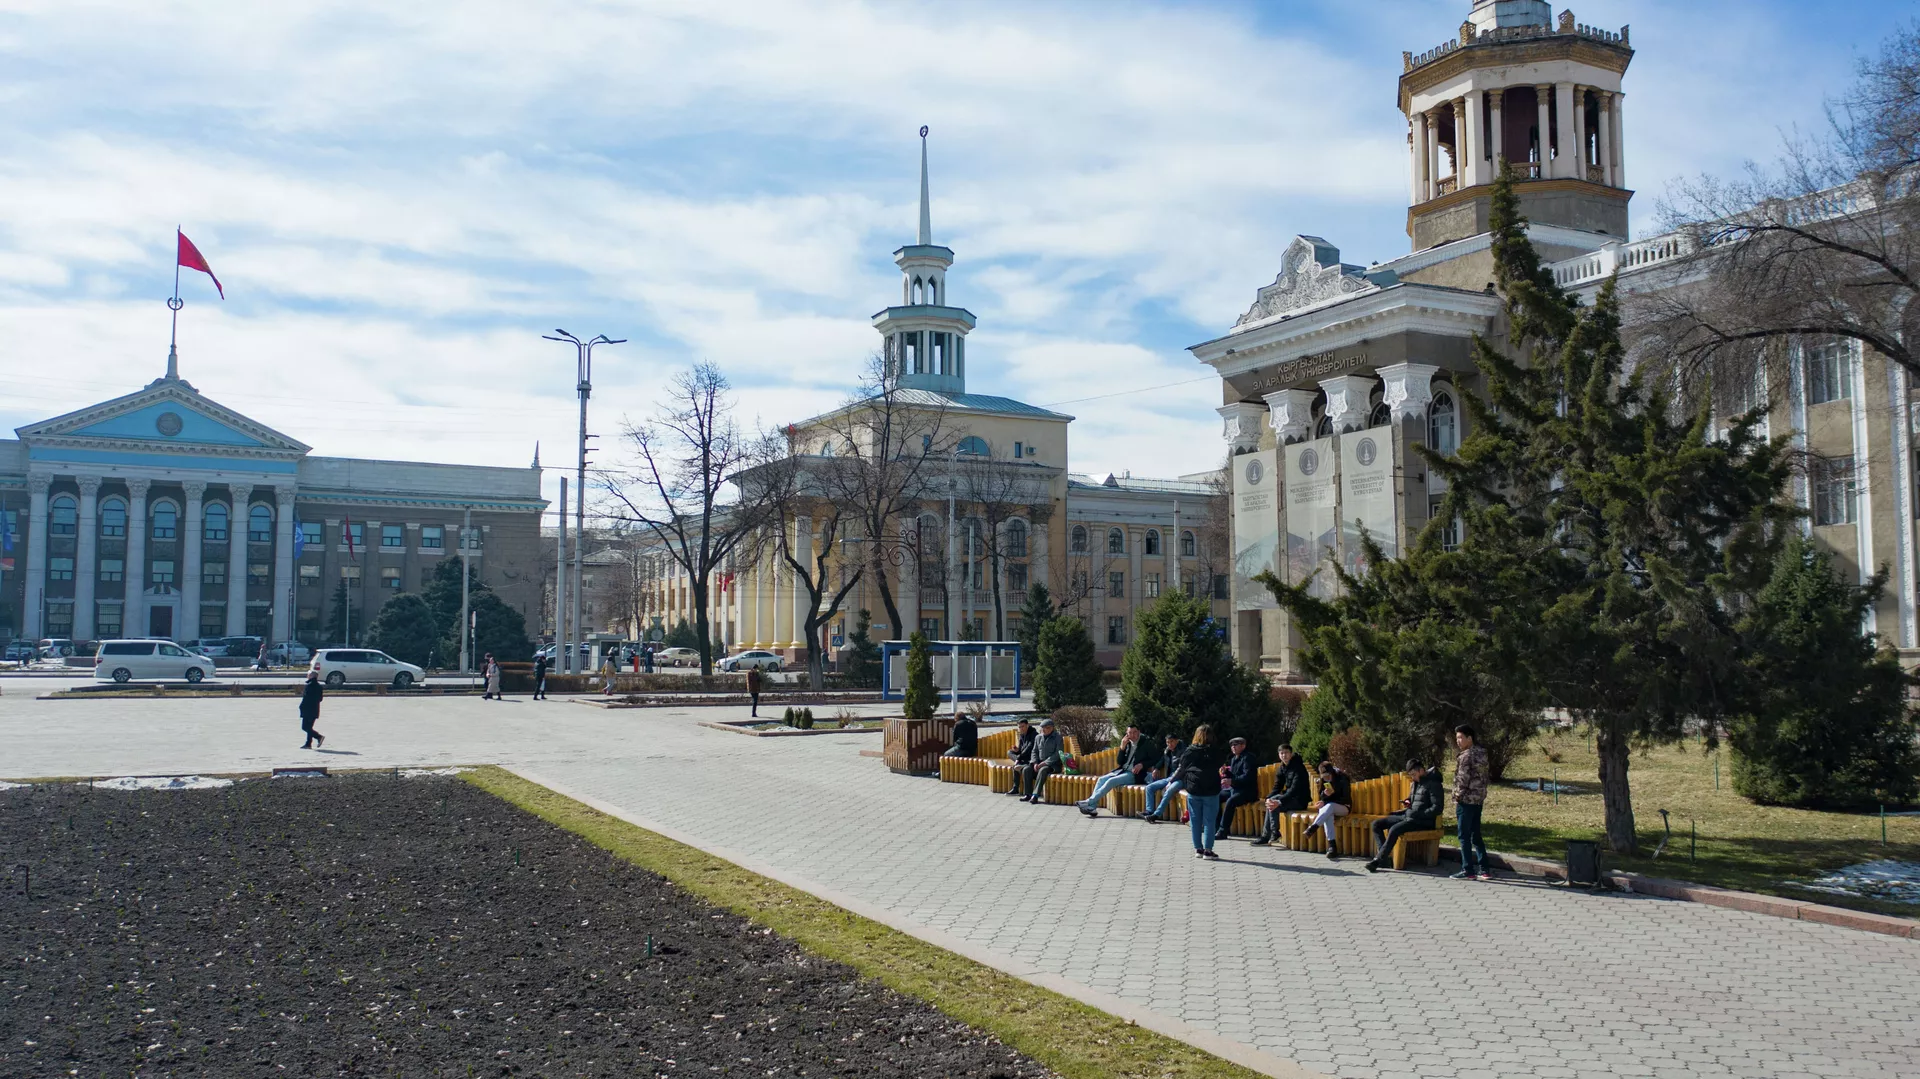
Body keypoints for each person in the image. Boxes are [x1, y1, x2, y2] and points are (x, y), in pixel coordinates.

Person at [1365, 760, 1445, 872]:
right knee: (1376, 824)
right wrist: (1408, 801)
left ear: (1421, 770)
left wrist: (1419, 814)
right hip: (1409, 816)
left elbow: (1437, 808)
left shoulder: (1434, 784)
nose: (1412, 777)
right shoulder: (1415, 783)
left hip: (1423, 821)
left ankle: (1378, 860)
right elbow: (1414, 800)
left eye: (1414, 774)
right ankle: (1384, 859)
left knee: (1394, 829)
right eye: (1411, 775)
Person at [1076, 725, 1159, 818]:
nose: (1132, 735)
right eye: (1130, 733)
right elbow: (1120, 762)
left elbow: (1156, 758)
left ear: (1139, 732)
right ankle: (1092, 807)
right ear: (1127, 734)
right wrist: (1122, 748)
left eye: (1135, 732)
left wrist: (1142, 765)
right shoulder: (1127, 743)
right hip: (1122, 771)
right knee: (1101, 779)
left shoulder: (1146, 743)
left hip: (1136, 774)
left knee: (1111, 781)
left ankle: (1088, 802)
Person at [1452, 724, 1492, 880]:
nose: (1458, 741)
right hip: (1478, 799)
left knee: (1464, 836)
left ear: (1469, 738)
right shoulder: (1482, 753)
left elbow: (1462, 780)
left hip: (1466, 800)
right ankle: (1484, 869)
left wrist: (1457, 797)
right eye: (1457, 738)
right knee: (1476, 835)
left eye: (1460, 737)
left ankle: (1467, 870)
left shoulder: (1465, 756)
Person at [1252, 742, 1311, 847]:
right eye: (1281, 753)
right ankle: (1272, 834)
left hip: (1300, 800)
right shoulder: (1282, 767)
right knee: (1271, 802)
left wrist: (1279, 801)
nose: (1284, 755)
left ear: (1291, 754)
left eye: (1286, 753)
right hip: (1289, 798)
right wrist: (1268, 798)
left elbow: (1294, 790)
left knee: (1274, 803)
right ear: (1279, 755)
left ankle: (1270, 834)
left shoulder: (1299, 768)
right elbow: (1277, 787)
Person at [1180, 725, 1223, 858]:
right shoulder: (1215, 750)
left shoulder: (1190, 750)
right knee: (1210, 821)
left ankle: (1198, 849)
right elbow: (1220, 763)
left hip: (1194, 788)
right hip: (1211, 789)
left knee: (1195, 820)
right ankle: (1208, 850)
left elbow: (1183, 764)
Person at [1303, 761, 1353, 859]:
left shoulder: (1342, 779)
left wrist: (1329, 798)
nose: (1327, 779)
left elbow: (1346, 799)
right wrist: (1324, 796)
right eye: (1324, 777)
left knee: (1329, 806)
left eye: (1328, 776)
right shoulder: (1322, 781)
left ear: (1332, 773)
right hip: (1329, 809)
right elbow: (1322, 797)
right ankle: (1332, 847)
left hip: (1344, 807)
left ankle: (1313, 828)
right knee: (1328, 815)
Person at [1215, 736, 1259, 843]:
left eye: (1236, 745)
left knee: (1231, 801)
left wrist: (1231, 781)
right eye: (1231, 745)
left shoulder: (1248, 758)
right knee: (1217, 796)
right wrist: (1226, 772)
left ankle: (1223, 831)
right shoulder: (1234, 759)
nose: (1233, 747)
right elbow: (1234, 776)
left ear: (1243, 746)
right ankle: (1215, 827)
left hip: (1248, 791)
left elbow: (1248, 777)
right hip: (1236, 789)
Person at [1139, 733, 1185, 821]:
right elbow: (1163, 759)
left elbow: (1181, 769)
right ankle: (1149, 811)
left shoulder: (1183, 751)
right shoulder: (1168, 751)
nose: (1169, 744)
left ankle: (1156, 815)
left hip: (1180, 779)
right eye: (1167, 742)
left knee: (1169, 790)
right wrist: (1156, 768)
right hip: (1170, 778)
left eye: (1172, 741)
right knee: (1149, 787)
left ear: (1177, 741)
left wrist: (1171, 782)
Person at [1019, 717, 1065, 803]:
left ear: (1051, 728)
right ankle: (1028, 794)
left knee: (1043, 770)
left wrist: (1044, 763)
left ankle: (1035, 795)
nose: (1043, 730)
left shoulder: (1058, 738)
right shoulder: (1038, 737)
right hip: (1039, 763)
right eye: (1042, 728)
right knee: (1026, 769)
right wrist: (1035, 762)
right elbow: (1034, 751)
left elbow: (1058, 754)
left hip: (1052, 765)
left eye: (1046, 728)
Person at [1003, 719, 1036, 795]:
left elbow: (1029, 749)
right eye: (1019, 727)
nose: (1021, 728)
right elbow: (1021, 750)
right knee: (1009, 752)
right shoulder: (1022, 735)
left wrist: (1018, 758)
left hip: (1030, 757)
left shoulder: (1034, 734)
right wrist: (1017, 750)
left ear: (1027, 725)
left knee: (1016, 765)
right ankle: (1015, 788)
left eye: (1023, 726)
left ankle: (1015, 788)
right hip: (1023, 757)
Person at [299, 669, 325, 749]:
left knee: (305, 727)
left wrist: (301, 707)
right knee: (309, 727)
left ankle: (319, 737)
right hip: (315, 709)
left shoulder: (309, 686)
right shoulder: (319, 686)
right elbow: (320, 699)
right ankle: (308, 744)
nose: (307, 676)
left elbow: (306, 698)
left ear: (311, 676)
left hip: (308, 709)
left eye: (308, 675)